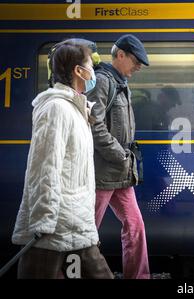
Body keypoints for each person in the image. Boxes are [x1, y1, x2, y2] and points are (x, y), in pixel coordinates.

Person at [12, 41, 113, 279]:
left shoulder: (77, 110)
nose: (94, 73)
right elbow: (44, 167)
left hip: (76, 222)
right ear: (79, 71)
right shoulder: (57, 108)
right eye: (90, 66)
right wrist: (42, 222)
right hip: (54, 226)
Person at [86, 34, 150, 279]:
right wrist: (119, 155)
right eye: (135, 61)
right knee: (86, 232)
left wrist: (124, 160)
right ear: (120, 55)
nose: (138, 67)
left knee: (135, 226)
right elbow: (94, 126)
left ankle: (139, 276)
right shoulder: (103, 81)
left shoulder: (121, 82)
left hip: (121, 173)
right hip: (103, 172)